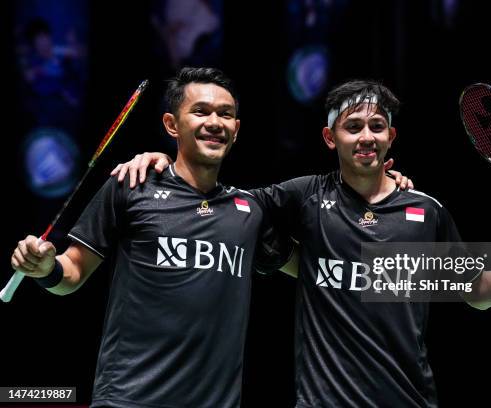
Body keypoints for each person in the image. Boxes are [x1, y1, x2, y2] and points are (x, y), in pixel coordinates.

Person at [113, 80, 491, 407]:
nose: (366, 136)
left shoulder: (424, 214)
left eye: (377, 126)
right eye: (353, 126)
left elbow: (478, 294)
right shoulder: (306, 197)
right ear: (331, 138)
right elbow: (213, 200)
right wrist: (164, 163)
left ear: (392, 136)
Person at [10, 67, 293, 408]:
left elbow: (314, 269)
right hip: (129, 399)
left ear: (236, 129)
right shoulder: (132, 186)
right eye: (201, 111)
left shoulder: (249, 210)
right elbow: (71, 274)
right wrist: (44, 268)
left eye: (226, 114)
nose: (215, 122)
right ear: (172, 125)